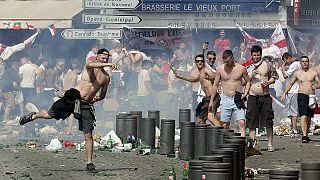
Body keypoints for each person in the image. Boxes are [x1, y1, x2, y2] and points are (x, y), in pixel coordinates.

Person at [19, 49, 118, 172]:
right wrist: (108, 65)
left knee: (88, 134)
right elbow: (90, 64)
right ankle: (33, 116)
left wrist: (97, 98)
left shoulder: (106, 77)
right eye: (103, 58)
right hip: (73, 97)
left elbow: (103, 94)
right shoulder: (89, 66)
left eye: (106, 59)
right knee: (50, 115)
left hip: (86, 104)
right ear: (97, 57)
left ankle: (89, 163)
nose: (104, 60)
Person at [209, 50, 250, 136]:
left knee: (241, 122)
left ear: (232, 58)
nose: (227, 63)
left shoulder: (241, 68)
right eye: (225, 62)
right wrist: (211, 100)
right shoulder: (220, 69)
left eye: (228, 61)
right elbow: (215, 85)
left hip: (237, 98)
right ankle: (226, 144)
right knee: (225, 125)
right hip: (226, 98)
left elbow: (248, 81)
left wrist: (245, 93)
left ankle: (242, 144)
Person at [245, 45, 278, 152]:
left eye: (258, 55)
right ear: (251, 55)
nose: (256, 57)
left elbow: (274, 76)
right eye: (254, 55)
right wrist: (250, 76)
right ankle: (253, 144)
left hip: (265, 95)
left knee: (268, 119)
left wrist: (268, 82)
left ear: (261, 55)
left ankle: (270, 144)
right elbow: (242, 82)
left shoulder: (267, 64)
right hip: (252, 96)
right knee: (251, 120)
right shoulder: (247, 66)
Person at [175, 54, 221, 125]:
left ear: (203, 62)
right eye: (198, 61)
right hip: (206, 99)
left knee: (210, 117)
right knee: (201, 121)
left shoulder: (206, 70)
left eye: (201, 61)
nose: (200, 62)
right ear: (195, 62)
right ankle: (203, 135)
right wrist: (181, 77)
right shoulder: (201, 73)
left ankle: (223, 134)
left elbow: (215, 76)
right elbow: (194, 79)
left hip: (213, 98)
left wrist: (213, 79)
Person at [281, 56, 318, 143]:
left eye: (306, 61)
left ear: (308, 62)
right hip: (302, 95)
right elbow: (290, 83)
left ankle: (307, 134)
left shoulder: (313, 72)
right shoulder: (297, 73)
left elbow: (318, 83)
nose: (305, 63)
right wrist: (284, 93)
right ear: (300, 63)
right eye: (303, 61)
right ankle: (304, 135)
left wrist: (315, 85)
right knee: (303, 115)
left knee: (308, 116)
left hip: (311, 96)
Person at [281, 53, 301, 137]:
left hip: (293, 90)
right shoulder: (295, 64)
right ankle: (293, 129)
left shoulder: (295, 64)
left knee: (293, 111)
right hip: (291, 90)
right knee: (291, 111)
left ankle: (295, 130)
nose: (286, 63)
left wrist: (282, 67)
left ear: (288, 58)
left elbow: (285, 75)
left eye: (286, 61)